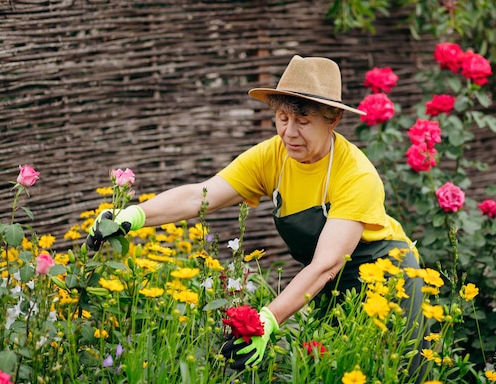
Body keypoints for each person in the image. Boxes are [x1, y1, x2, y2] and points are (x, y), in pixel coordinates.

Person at [87, 55, 426, 375]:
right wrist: (133, 214)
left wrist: (267, 319)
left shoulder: (355, 176)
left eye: (303, 121)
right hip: (327, 287)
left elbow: (327, 264)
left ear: (332, 120)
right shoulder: (273, 156)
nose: (289, 132)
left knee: (397, 371)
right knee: (333, 370)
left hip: (389, 281)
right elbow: (198, 196)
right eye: (282, 118)